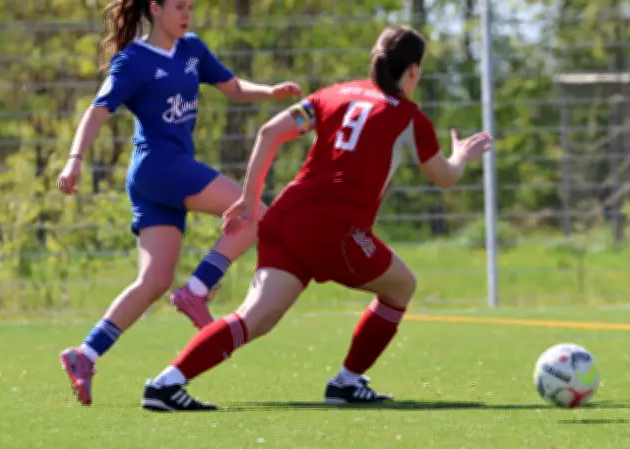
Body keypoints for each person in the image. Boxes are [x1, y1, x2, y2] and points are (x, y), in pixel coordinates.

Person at [139, 24, 494, 412]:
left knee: (252, 319)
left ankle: (166, 383)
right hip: (333, 231)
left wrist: (249, 198)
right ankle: (347, 381)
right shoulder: (408, 116)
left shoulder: (334, 93)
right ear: (412, 70)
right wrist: (462, 155)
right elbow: (444, 177)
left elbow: (269, 131)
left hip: (285, 219)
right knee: (401, 287)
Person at [55, 0, 301, 406]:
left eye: (191, 6)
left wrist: (269, 91)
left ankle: (85, 353)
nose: (187, 14)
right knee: (257, 213)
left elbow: (233, 87)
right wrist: (74, 160)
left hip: (158, 177)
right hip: (160, 167)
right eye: (179, 6)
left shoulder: (192, 49)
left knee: (153, 281)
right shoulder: (133, 59)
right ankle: (198, 290)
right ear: (155, 8)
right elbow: (97, 113)